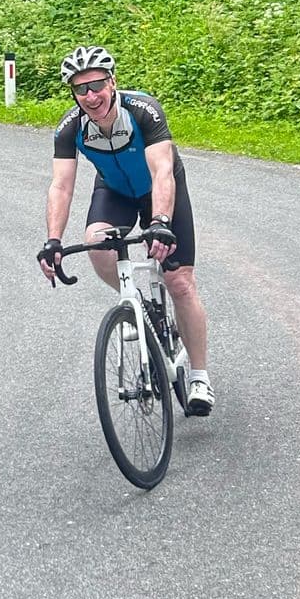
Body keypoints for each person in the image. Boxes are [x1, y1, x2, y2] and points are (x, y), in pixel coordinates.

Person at [37, 46, 215, 414]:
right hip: (115, 191)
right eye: (81, 89)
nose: (91, 96)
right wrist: (53, 239)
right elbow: (61, 186)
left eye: (98, 84)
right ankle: (138, 304)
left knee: (179, 281)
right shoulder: (70, 128)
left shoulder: (142, 110)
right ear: (73, 93)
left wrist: (160, 223)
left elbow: (163, 170)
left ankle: (199, 376)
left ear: (113, 82)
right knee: (95, 243)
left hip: (159, 190)